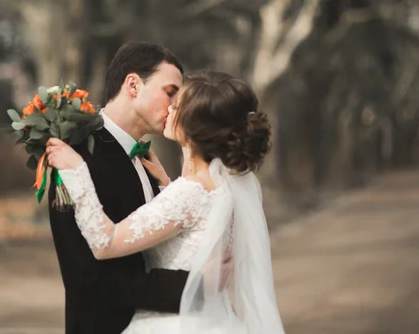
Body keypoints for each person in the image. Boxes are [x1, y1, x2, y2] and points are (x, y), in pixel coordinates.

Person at [47, 70, 286, 333]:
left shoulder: (188, 193)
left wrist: (78, 172)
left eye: (178, 103)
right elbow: (194, 226)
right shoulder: (223, 185)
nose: (170, 107)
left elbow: (106, 242)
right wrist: (166, 183)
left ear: (195, 128)